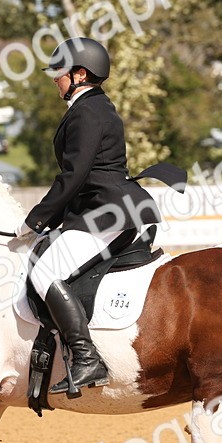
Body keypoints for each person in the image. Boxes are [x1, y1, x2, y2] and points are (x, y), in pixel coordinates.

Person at [13, 37, 160, 395]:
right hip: (105, 208)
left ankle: (86, 358)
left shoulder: (88, 111)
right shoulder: (93, 107)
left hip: (107, 212)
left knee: (46, 271)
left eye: (60, 73)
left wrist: (36, 220)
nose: (55, 80)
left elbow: (74, 175)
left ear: (79, 73)